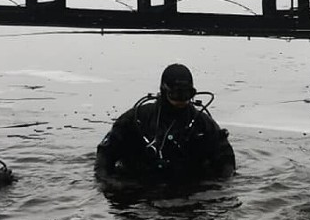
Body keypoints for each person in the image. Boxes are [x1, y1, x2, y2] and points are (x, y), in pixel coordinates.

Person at [95, 63, 236, 186]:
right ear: (163, 90)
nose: (182, 100)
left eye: (187, 94)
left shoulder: (203, 124)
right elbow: (105, 154)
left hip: (189, 191)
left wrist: (218, 188)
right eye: (176, 93)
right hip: (140, 188)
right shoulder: (137, 119)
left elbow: (226, 160)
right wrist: (110, 183)